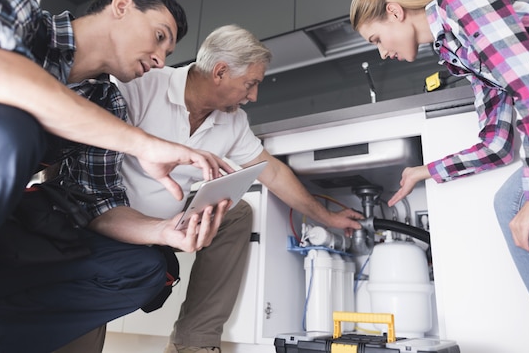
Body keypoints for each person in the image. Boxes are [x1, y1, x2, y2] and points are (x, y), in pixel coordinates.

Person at [0, 0, 232, 353]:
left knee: (145, 269)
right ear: (122, 5)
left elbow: (100, 203)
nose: (161, 60)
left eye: (169, 53)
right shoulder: (13, 3)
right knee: (13, 127)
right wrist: (144, 144)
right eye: (159, 36)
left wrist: (166, 230)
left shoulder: (108, 104)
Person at [349, 0, 529, 353]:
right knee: (509, 202)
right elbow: (498, 144)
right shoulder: (458, 53)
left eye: (377, 40)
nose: (383, 54)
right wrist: (425, 171)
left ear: (395, 12)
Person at [106, 24, 363, 353]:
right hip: (115, 213)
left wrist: (326, 217)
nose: (253, 95)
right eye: (251, 83)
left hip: (169, 216)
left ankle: (194, 342)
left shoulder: (233, 120)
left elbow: (273, 173)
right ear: (221, 72)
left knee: (237, 212)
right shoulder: (145, 85)